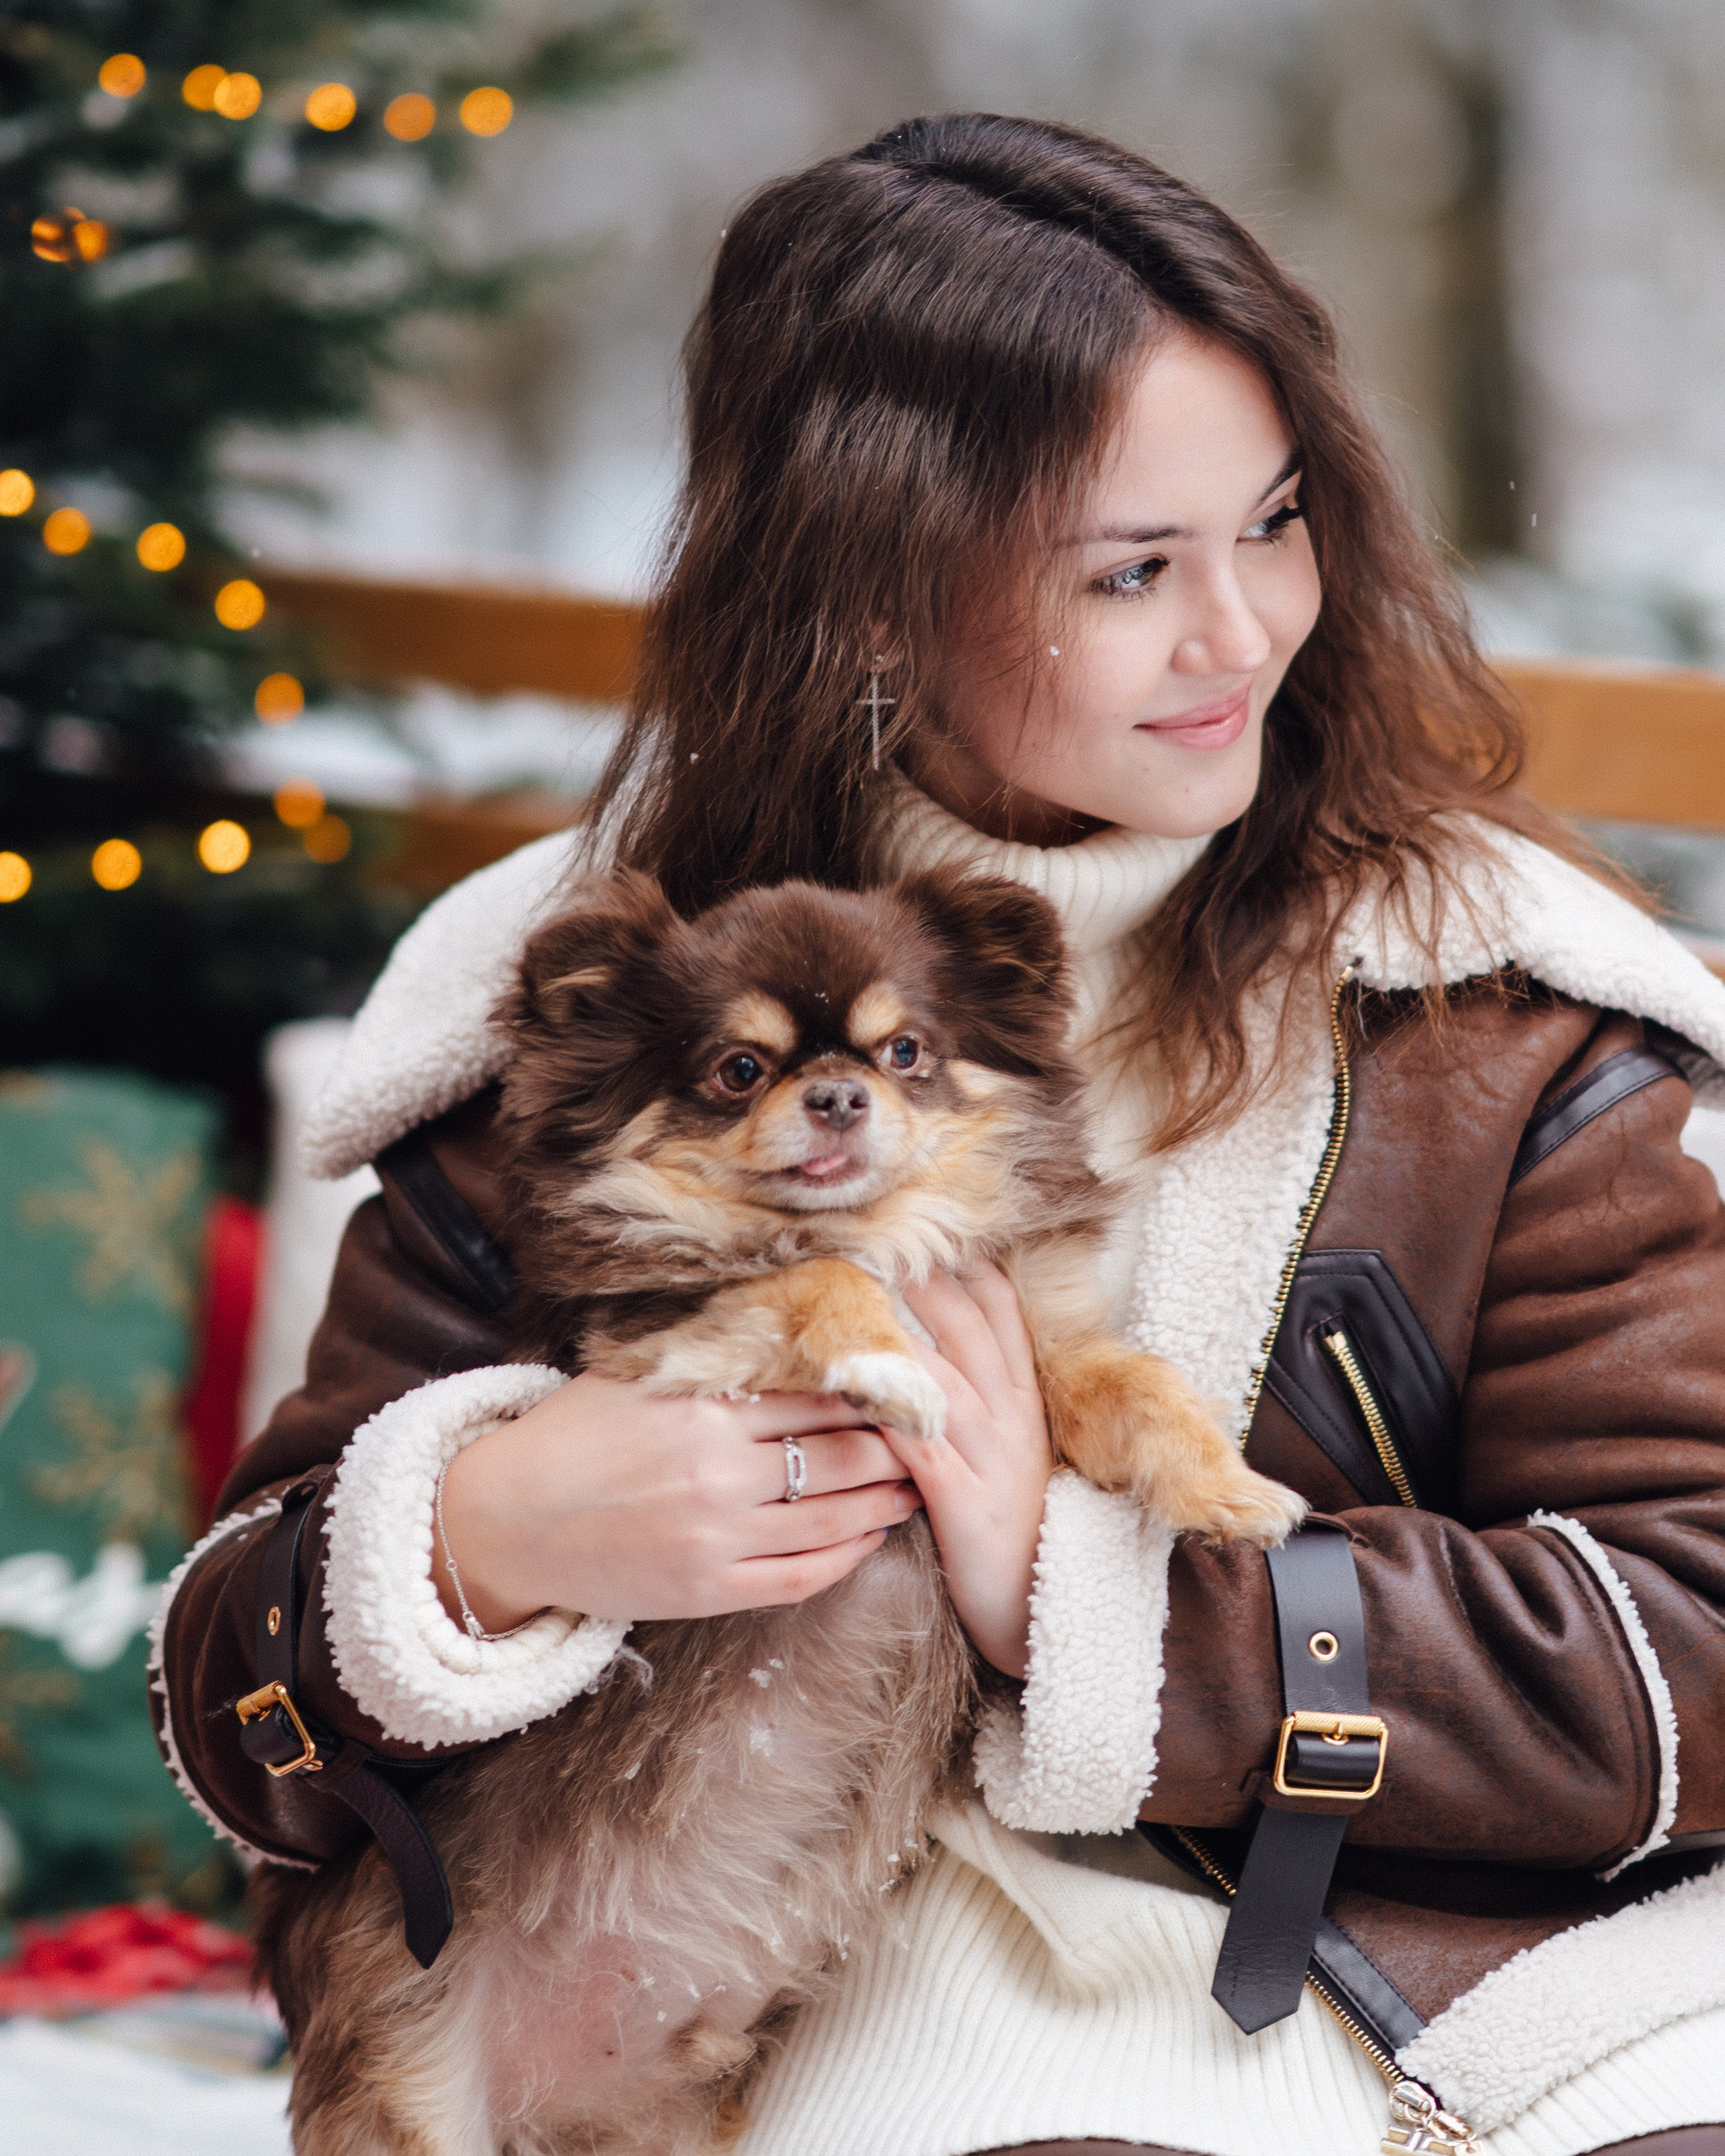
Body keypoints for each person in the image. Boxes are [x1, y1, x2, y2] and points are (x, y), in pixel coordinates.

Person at [153, 115, 1725, 2155]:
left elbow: (1698, 1648)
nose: (1245, 631)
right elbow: (239, 1706)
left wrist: (1078, 1588)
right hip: (839, 1983)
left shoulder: (1492, 1007)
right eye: (1133, 571)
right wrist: (480, 1536)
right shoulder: (605, 1012)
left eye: (1274, 524)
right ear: (877, 602)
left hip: (1458, 1977)